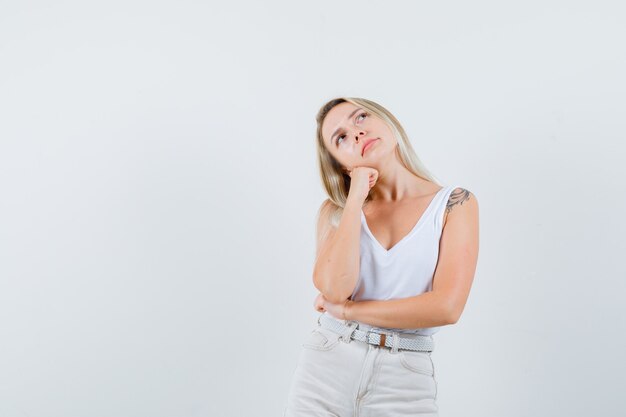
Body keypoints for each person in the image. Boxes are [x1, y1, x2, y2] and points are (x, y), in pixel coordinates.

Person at [282, 97, 479, 417]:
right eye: (341, 137)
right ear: (341, 164)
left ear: (388, 122)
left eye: (360, 117)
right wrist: (356, 196)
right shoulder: (336, 212)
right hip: (326, 367)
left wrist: (349, 310)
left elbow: (446, 307)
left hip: (403, 379)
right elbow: (334, 288)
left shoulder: (454, 204)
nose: (356, 133)